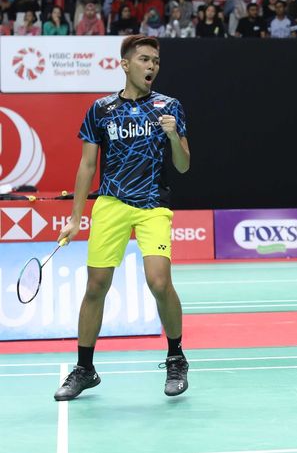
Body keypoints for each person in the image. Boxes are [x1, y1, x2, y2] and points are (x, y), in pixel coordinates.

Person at [54, 35, 191, 402]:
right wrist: (74, 218)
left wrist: (174, 135)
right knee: (95, 286)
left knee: (159, 282)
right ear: (125, 64)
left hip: (152, 205)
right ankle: (85, 368)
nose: (151, 66)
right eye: (144, 59)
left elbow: (183, 164)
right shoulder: (101, 109)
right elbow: (86, 166)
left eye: (156, 62)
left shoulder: (169, 106)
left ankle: (176, 357)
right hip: (111, 203)